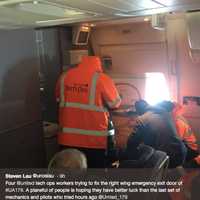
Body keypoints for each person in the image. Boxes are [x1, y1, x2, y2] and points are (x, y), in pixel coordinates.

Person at [55, 56, 121, 168]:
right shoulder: (102, 78)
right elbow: (115, 103)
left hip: (67, 139)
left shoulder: (64, 77)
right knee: (94, 174)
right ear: (99, 65)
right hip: (93, 140)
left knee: (69, 173)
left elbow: (58, 99)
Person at [125, 100, 187, 168]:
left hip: (169, 156)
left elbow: (132, 141)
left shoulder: (143, 118)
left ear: (138, 111)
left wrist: (127, 156)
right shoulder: (165, 113)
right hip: (182, 152)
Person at [158, 101, 200, 168]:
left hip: (191, 149)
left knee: (171, 149)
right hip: (188, 146)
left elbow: (177, 140)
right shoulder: (176, 120)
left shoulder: (179, 123)